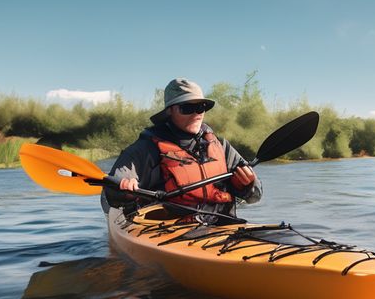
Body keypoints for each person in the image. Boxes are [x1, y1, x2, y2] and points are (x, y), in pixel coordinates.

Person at [101, 78, 262, 222]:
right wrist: (125, 193)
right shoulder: (147, 148)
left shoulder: (221, 146)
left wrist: (248, 186)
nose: (196, 114)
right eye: (187, 108)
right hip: (166, 231)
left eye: (201, 107)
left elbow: (256, 196)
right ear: (169, 111)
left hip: (222, 226)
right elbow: (109, 196)